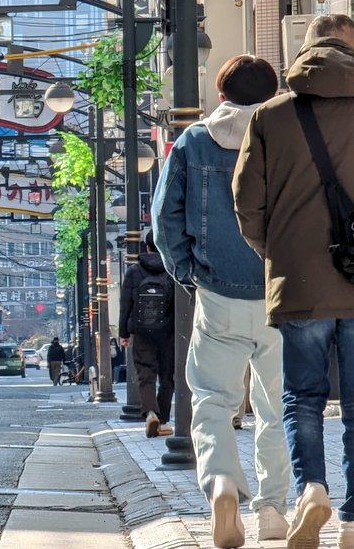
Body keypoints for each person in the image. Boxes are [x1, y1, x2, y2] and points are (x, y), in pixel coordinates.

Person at [153, 54, 288, 548]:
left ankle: (223, 484)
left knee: (211, 399)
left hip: (218, 294)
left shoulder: (192, 141)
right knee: (278, 406)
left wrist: (189, 273)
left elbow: (164, 219)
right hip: (282, 292)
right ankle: (273, 510)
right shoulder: (288, 136)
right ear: (273, 91)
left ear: (222, 93)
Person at [234, 14, 354, 549]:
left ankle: (313, 491)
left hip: (298, 279)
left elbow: (247, 204)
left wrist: (276, 252)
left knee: (302, 397)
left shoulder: (271, 116)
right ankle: (352, 521)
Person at [118, 231, 174, 439]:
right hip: (168, 332)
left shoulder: (134, 271)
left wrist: (124, 333)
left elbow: (125, 304)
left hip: (142, 331)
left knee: (146, 375)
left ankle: (151, 413)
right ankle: (164, 420)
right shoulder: (172, 268)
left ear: (147, 247)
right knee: (168, 377)